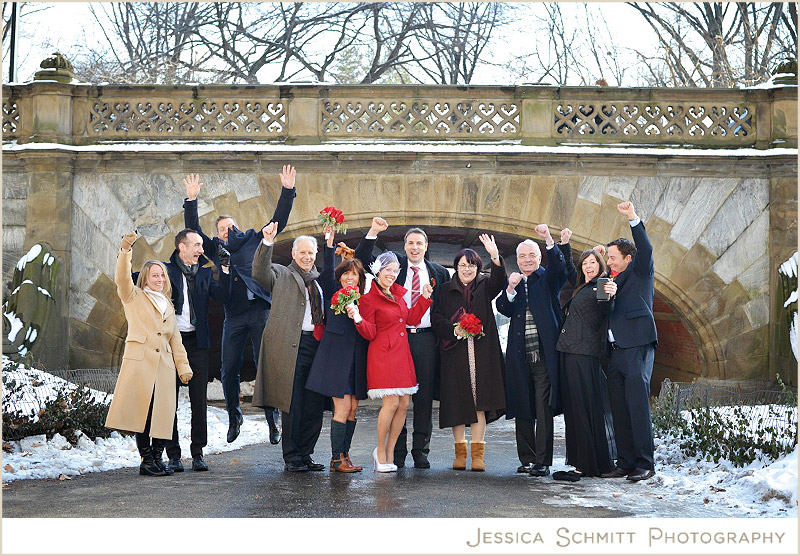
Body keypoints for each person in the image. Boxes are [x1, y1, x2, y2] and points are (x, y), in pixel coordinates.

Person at [183, 168, 296, 444]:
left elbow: (277, 221)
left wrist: (287, 191)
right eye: (222, 229)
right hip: (233, 314)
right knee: (227, 367)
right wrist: (191, 201)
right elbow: (194, 231)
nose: (228, 231)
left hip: (259, 310)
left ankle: (273, 421)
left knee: (263, 364)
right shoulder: (215, 250)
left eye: (231, 226)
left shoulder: (251, 240)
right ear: (218, 236)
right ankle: (235, 417)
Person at [356, 220, 449, 469]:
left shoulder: (440, 272)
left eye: (419, 243)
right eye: (410, 243)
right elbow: (362, 258)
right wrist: (373, 232)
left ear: (426, 246)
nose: (415, 248)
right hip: (397, 338)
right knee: (396, 399)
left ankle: (421, 450)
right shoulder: (394, 267)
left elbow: (441, 308)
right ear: (404, 247)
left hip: (426, 337)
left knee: (421, 397)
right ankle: (395, 452)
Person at [105, 232, 193, 476]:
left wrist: (183, 367)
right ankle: (146, 460)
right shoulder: (134, 296)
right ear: (146, 277)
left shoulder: (169, 304)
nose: (160, 279)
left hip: (164, 367)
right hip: (141, 364)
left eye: (162, 275)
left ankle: (157, 457)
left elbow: (176, 340)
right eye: (155, 275)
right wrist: (125, 249)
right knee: (143, 412)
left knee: (163, 414)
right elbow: (122, 278)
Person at [346, 251, 433, 472]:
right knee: (391, 403)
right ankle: (380, 451)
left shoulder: (398, 295)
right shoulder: (368, 299)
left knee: (404, 404)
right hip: (383, 354)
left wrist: (424, 298)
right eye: (388, 270)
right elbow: (370, 333)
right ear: (378, 271)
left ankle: (390, 451)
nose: (392, 274)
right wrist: (357, 317)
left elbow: (411, 319)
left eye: (395, 270)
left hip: (402, 354)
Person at [251, 222, 328, 472]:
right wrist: (267, 243)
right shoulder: (281, 274)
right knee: (293, 404)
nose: (307, 257)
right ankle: (292, 456)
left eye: (311, 253)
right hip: (291, 346)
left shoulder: (317, 281)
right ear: (294, 254)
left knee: (313, 403)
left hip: (315, 347)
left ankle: (306, 453)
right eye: (302, 252)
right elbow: (259, 272)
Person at [151, 229, 229, 473]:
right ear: (181, 247)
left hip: (197, 343)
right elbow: (138, 281)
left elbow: (225, 295)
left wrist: (225, 270)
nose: (201, 249)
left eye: (201, 245)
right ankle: (173, 454)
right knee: (169, 400)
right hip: (170, 343)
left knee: (199, 401)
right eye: (196, 245)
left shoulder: (205, 275)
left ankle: (198, 453)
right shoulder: (165, 272)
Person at [495, 224, 566, 477]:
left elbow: (560, 267)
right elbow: (503, 307)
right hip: (519, 356)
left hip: (544, 357)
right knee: (523, 406)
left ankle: (542, 461)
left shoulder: (547, 279)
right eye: (522, 256)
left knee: (543, 407)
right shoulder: (516, 281)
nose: (527, 260)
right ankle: (526, 458)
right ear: (517, 260)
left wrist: (548, 239)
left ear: (539, 257)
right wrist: (511, 289)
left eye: (531, 255)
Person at [431, 235, 507, 472]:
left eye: (472, 265)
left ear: (477, 267)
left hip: (482, 354)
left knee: (479, 404)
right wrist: (454, 330)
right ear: (456, 267)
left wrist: (494, 256)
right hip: (454, 353)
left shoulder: (485, 286)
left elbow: (499, 281)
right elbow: (436, 318)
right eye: (463, 265)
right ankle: (460, 454)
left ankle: (478, 456)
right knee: (456, 403)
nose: (467, 269)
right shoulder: (444, 290)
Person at [600, 201, 658, 482]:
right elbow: (601, 312)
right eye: (608, 257)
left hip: (637, 347)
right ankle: (624, 462)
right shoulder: (608, 280)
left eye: (612, 257)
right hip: (614, 353)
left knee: (637, 406)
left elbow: (646, 248)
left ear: (628, 257)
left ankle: (645, 463)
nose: (609, 261)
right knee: (619, 410)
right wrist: (606, 294)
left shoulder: (641, 271)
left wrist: (633, 218)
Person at [305, 226, 369, 472]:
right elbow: (326, 275)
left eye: (354, 275)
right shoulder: (332, 291)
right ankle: (335, 459)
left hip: (355, 359)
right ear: (340, 276)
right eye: (346, 274)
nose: (350, 278)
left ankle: (345, 456)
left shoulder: (362, 298)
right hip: (335, 358)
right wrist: (329, 245)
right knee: (341, 407)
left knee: (353, 407)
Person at [553, 248, 618, 481]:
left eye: (593, 263)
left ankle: (585, 466)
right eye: (585, 264)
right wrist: (564, 245)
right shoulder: (584, 285)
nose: (588, 267)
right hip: (571, 351)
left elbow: (605, 309)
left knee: (582, 407)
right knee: (575, 408)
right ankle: (585, 462)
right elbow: (570, 270)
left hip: (582, 353)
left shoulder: (602, 284)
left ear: (601, 265)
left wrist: (609, 292)